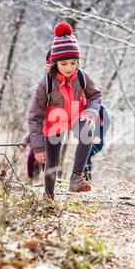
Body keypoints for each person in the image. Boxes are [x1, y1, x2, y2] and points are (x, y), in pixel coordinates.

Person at [28, 22, 102, 200]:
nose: (69, 68)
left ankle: (76, 177)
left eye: (73, 62)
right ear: (55, 63)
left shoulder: (82, 76)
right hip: (55, 120)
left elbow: (96, 95)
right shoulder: (45, 83)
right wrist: (38, 147)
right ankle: (48, 195)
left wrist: (91, 112)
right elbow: (35, 117)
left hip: (78, 114)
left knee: (87, 131)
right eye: (64, 63)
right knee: (52, 161)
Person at [83, 103, 110, 181]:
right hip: (86, 137)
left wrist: (99, 135)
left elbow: (107, 122)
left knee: (85, 155)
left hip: (97, 139)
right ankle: (85, 180)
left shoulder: (100, 106)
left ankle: (87, 180)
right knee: (84, 156)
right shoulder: (84, 105)